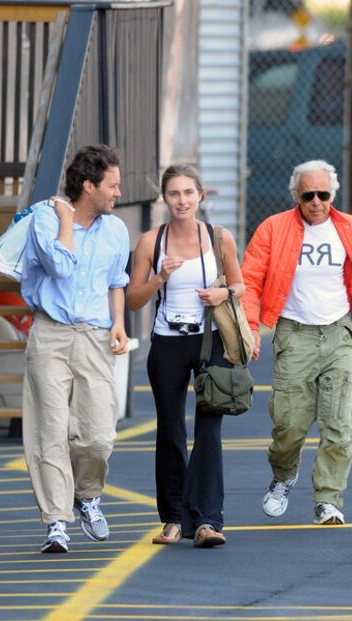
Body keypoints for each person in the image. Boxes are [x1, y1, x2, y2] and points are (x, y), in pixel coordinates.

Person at [241, 160, 352, 525]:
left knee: (338, 425)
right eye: (309, 195)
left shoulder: (349, 228)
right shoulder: (273, 229)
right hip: (294, 334)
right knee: (288, 424)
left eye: (324, 194)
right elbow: (251, 281)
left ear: (332, 194)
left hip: (338, 332)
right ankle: (283, 475)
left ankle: (328, 498)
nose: (317, 202)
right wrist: (251, 329)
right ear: (297, 195)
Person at [127, 164, 244, 547]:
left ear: (200, 196)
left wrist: (223, 294)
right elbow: (133, 300)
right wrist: (159, 278)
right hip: (167, 341)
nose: (181, 200)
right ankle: (174, 518)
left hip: (210, 340)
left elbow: (240, 284)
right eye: (174, 193)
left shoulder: (219, 237)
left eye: (188, 193)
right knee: (171, 430)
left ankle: (208, 521)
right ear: (165, 197)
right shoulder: (150, 241)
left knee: (209, 430)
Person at [21, 144, 130, 553]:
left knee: (99, 435)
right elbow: (61, 265)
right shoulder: (45, 220)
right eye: (113, 185)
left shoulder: (117, 229)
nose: (118, 192)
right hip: (50, 333)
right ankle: (56, 522)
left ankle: (87, 495)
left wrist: (118, 322)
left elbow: (116, 280)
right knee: (48, 430)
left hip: (96, 335)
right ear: (89, 186)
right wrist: (67, 219)